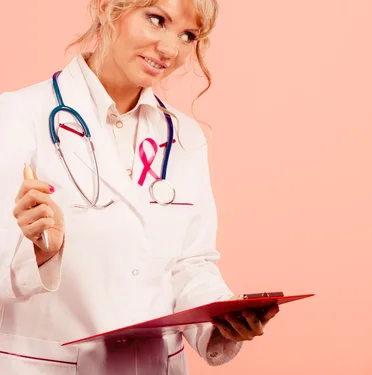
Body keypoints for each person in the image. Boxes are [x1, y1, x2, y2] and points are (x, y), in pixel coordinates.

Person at [0, 0, 279, 373]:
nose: (170, 49)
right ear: (106, 8)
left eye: (187, 35)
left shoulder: (184, 137)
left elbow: (190, 264)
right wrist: (40, 252)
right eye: (157, 19)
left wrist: (221, 323)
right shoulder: (18, 116)